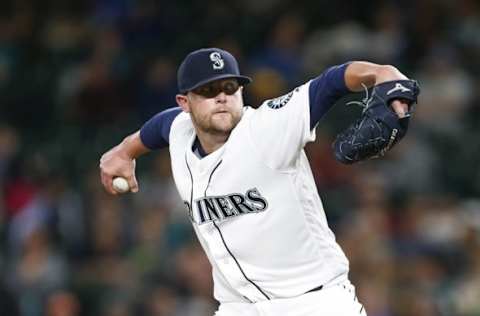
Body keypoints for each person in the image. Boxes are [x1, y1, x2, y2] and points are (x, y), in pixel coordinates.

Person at [100, 47, 413, 316]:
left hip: (312, 302)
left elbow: (331, 82)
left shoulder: (268, 128)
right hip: (239, 306)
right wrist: (125, 150)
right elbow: (158, 128)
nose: (222, 97)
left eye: (230, 87)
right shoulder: (180, 130)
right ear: (186, 102)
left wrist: (383, 72)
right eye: (208, 91)